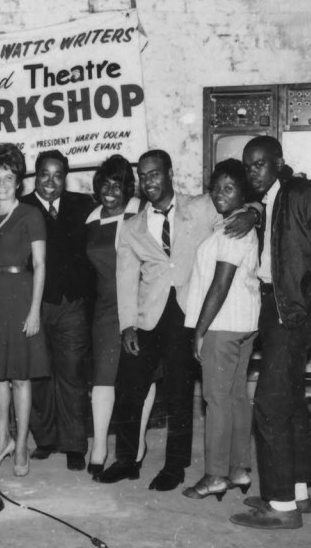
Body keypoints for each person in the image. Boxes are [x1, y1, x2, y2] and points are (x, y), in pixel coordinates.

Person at [101, 149, 259, 490]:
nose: (149, 181)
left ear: (169, 173)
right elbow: (125, 279)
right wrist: (128, 323)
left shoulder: (202, 206)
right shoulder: (130, 227)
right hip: (148, 315)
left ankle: (174, 466)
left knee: (179, 393)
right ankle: (126, 459)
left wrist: (253, 213)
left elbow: (238, 207)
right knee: (128, 387)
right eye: (143, 176)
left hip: (188, 313)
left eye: (154, 173)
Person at [231, 136, 311, 530]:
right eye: (248, 165)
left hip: (292, 311)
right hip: (279, 308)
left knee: (270, 405)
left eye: (260, 164)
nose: (254, 171)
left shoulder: (300, 192)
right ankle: (296, 491)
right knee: (289, 402)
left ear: (278, 163)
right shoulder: (274, 198)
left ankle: (281, 506)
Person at [181, 159, 260, 502]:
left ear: (243, 192)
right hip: (244, 324)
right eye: (215, 188)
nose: (220, 194)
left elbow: (221, 283)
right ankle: (239, 469)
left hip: (222, 326)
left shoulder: (233, 229)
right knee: (237, 397)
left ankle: (215, 475)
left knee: (216, 401)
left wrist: (200, 329)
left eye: (229, 188)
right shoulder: (235, 224)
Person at [0, 143, 50, 477]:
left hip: (20, 297)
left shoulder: (31, 215)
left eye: (8, 176)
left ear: (19, 181)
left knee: (20, 376)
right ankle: (2, 440)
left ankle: (21, 445)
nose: (2, 183)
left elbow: (40, 263)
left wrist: (34, 311)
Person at [20, 150, 96, 471]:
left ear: (65, 177)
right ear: (35, 176)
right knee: (39, 374)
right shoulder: (21, 207)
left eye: (57, 175)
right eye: (44, 174)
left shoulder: (84, 205)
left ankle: (75, 444)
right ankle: (46, 439)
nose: (51, 182)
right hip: (34, 305)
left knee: (73, 374)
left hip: (71, 305)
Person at [83, 155, 142, 476]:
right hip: (105, 307)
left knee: (138, 378)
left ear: (126, 188)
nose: (110, 191)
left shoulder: (139, 212)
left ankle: (137, 447)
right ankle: (100, 447)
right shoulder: (91, 218)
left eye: (117, 185)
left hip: (138, 304)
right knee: (103, 377)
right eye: (105, 184)